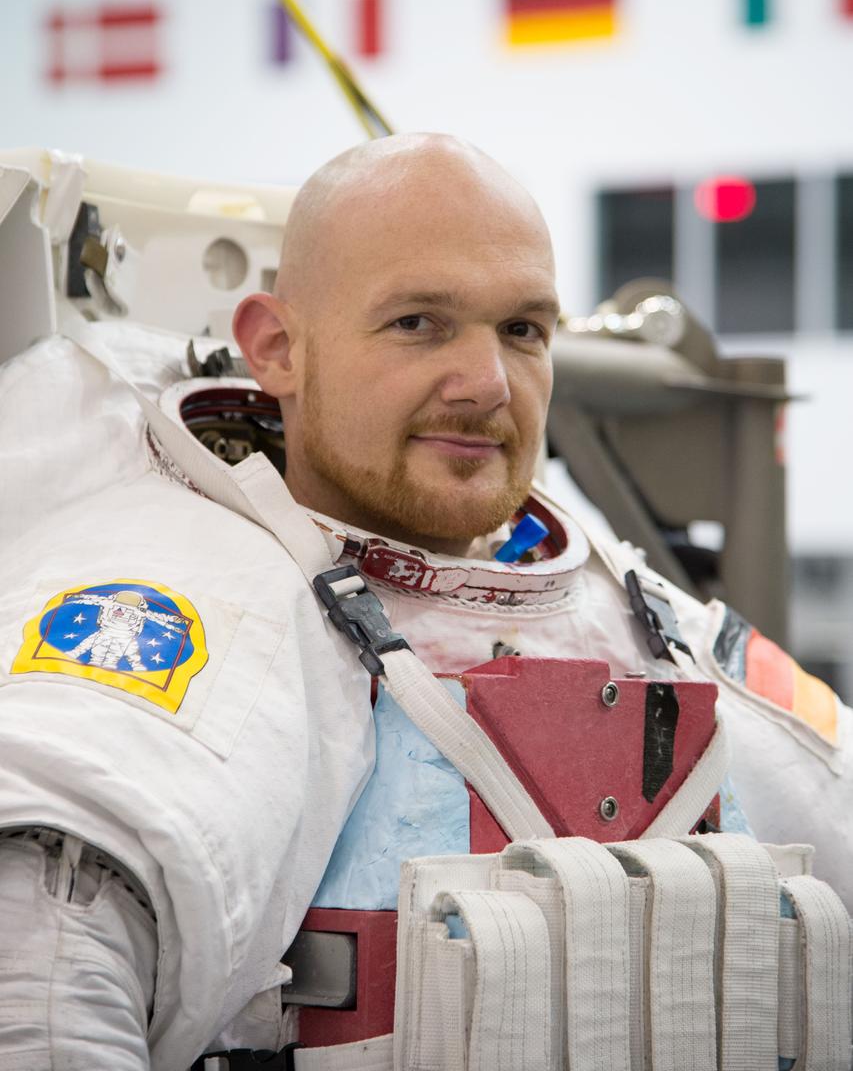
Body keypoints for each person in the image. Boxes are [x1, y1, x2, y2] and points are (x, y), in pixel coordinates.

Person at [0, 133, 850, 1069]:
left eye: (522, 329)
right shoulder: (185, 594)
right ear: (277, 348)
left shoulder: (636, 604)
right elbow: (41, 992)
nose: (487, 384)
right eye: (418, 323)